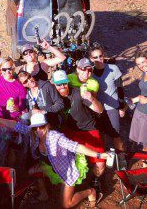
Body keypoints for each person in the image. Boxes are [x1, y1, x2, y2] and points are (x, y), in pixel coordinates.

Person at [0, 110, 110, 208]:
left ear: (47, 125)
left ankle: (90, 191)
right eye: (35, 128)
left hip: (67, 171)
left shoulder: (55, 136)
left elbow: (75, 146)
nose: (38, 130)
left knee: (66, 204)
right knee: (30, 172)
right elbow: (15, 125)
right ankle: (43, 193)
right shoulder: (32, 133)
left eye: (41, 126)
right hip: (52, 167)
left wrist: (98, 155)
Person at [52, 67, 106, 199]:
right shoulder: (53, 96)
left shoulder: (78, 93)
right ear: (54, 84)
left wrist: (91, 99)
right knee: (66, 161)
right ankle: (72, 184)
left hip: (88, 130)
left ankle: (94, 180)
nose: (62, 86)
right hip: (69, 131)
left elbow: (99, 110)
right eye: (59, 84)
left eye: (64, 83)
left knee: (100, 163)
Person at [0, 57, 26, 165]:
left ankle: (9, 178)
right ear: (0, 70)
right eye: (4, 69)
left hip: (12, 123)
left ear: (13, 68)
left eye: (10, 68)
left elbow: (23, 106)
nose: (7, 71)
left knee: (11, 154)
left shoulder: (20, 86)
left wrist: (17, 108)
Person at [89, 45, 126, 153]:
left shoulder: (113, 69)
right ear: (91, 59)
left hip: (111, 107)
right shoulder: (89, 72)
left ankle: (121, 159)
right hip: (97, 108)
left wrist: (122, 107)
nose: (99, 59)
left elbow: (120, 89)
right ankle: (104, 157)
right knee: (101, 134)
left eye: (100, 56)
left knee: (115, 135)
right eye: (95, 57)